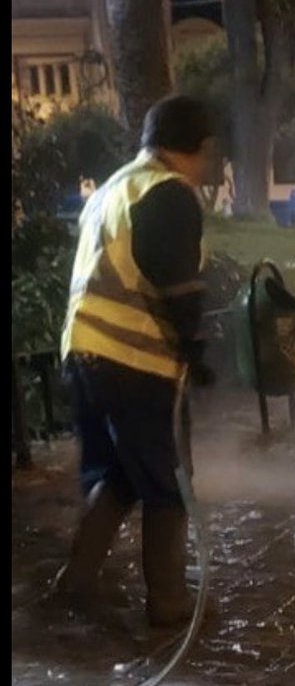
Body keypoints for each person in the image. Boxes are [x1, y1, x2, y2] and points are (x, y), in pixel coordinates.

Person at [56, 95, 219, 627]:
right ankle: (169, 602)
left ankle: (76, 582)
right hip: (135, 359)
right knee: (168, 479)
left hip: (84, 354)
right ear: (199, 146)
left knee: (126, 472)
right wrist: (193, 344)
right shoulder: (168, 192)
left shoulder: (114, 187)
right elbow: (176, 281)